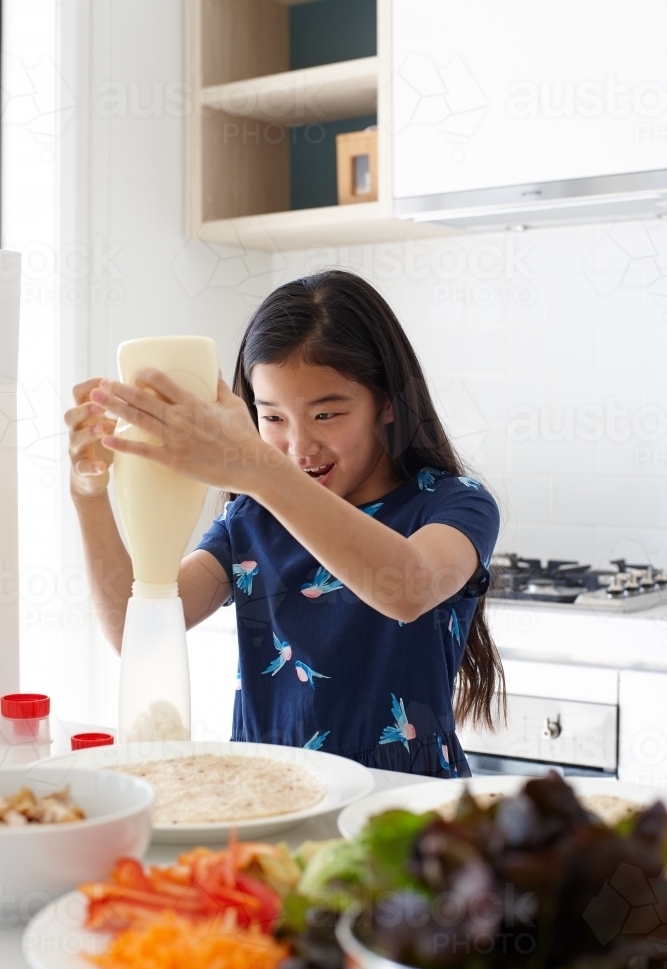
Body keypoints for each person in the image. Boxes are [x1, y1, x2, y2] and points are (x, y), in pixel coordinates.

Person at [65, 270, 504, 778]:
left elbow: (407, 587)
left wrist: (257, 469)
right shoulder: (251, 517)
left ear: (387, 402)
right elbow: (130, 627)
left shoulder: (454, 504)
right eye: (271, 418)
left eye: (325, 416)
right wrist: (88, 494)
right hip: (268, 795)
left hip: (405, 806)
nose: (299, 447)